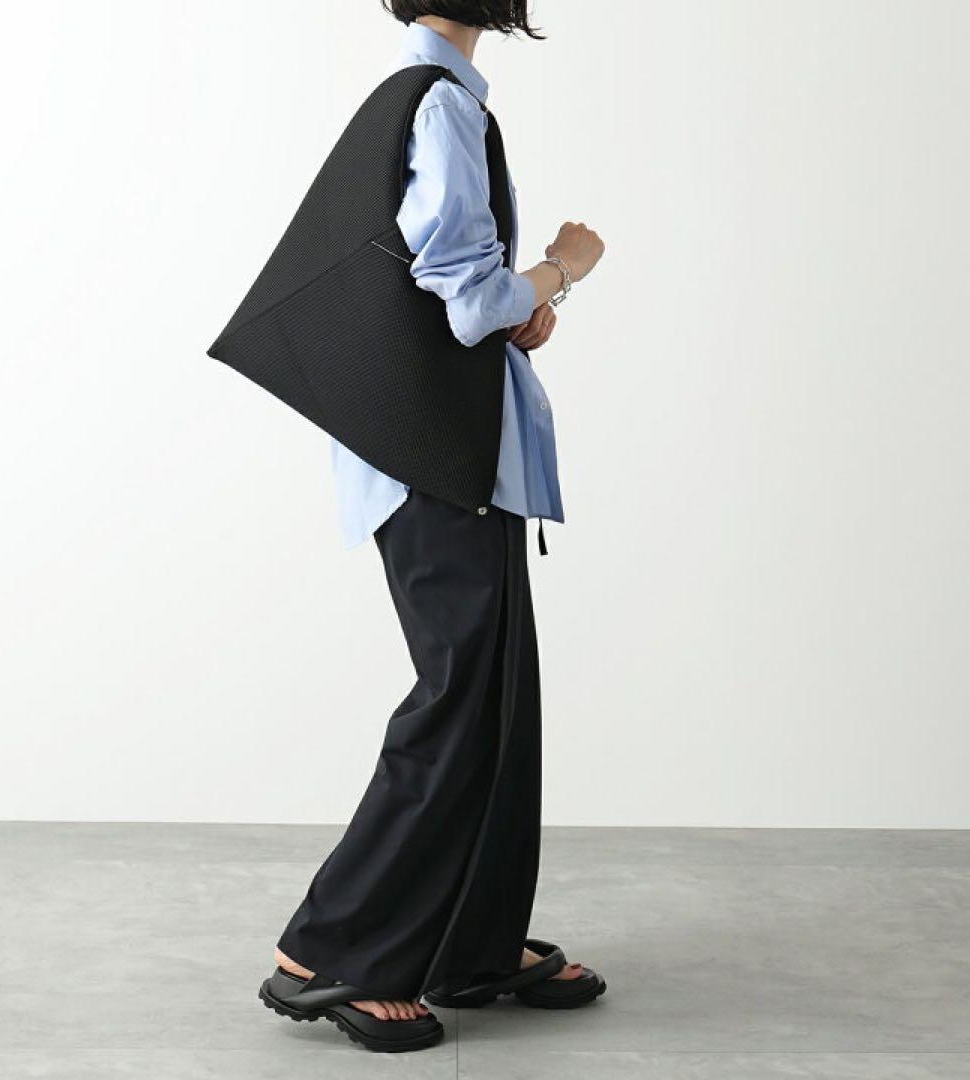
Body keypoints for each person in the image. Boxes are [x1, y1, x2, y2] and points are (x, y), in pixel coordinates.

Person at [257, 1, 606, 1052]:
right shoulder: (442, 107)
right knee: (459, 701)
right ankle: (330, 950)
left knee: (493, 702)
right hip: (437, 461)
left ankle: (469, 942)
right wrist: (562, 269)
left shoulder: (424, 97)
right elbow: (466, 305)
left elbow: (449, 289)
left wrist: (518, 305)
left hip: (444, 455)